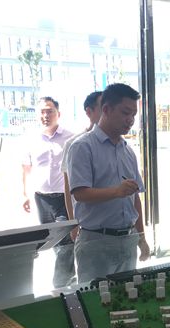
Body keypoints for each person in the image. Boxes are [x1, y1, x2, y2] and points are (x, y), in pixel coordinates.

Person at [68, 84, 150, 283]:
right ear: (106, 109)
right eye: (125, 113)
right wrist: (116, 191)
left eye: (133, 114)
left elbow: (135, 198)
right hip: (96, 240)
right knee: (95, 297)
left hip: (127, 238)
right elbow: (80, 193)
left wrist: (141, 237)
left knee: (127, 296)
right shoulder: (82, 147)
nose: (130, 120)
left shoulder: (128, 151)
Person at [22, 96, 75, 287]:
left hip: (64, 198)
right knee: (52, 240)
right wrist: (25, 194)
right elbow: (26, 168)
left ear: (58, 114)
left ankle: (61, 283)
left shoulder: (70, 137)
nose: (46, 115)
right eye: (42, 112)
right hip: (41, 198)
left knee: (65, 240)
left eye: (50, 111)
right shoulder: (31, 138)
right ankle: (68, 276)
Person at [62, 91, 102, 243]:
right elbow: (69, 189)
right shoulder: (75, 144)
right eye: (103, 107)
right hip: (88, 225)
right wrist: (73, 224)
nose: (108, 112)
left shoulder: (119, 143)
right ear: (89, 112)